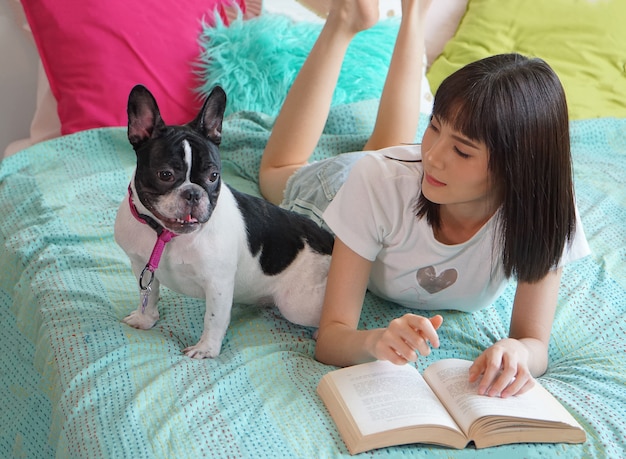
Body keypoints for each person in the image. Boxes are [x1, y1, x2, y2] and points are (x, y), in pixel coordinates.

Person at [259, 0, 590, 398]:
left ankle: (413, 12)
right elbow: (331, 339)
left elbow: (534, 344)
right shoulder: (381, 181)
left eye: (463, 151)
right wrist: (373, 341)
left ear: (517, 169)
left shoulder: (546, 210)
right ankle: (344, 21)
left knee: (395, 153)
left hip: (394, 180)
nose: (434, 154)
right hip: (340, 189)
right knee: (279, 171)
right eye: (433, 126)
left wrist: (517, 351)